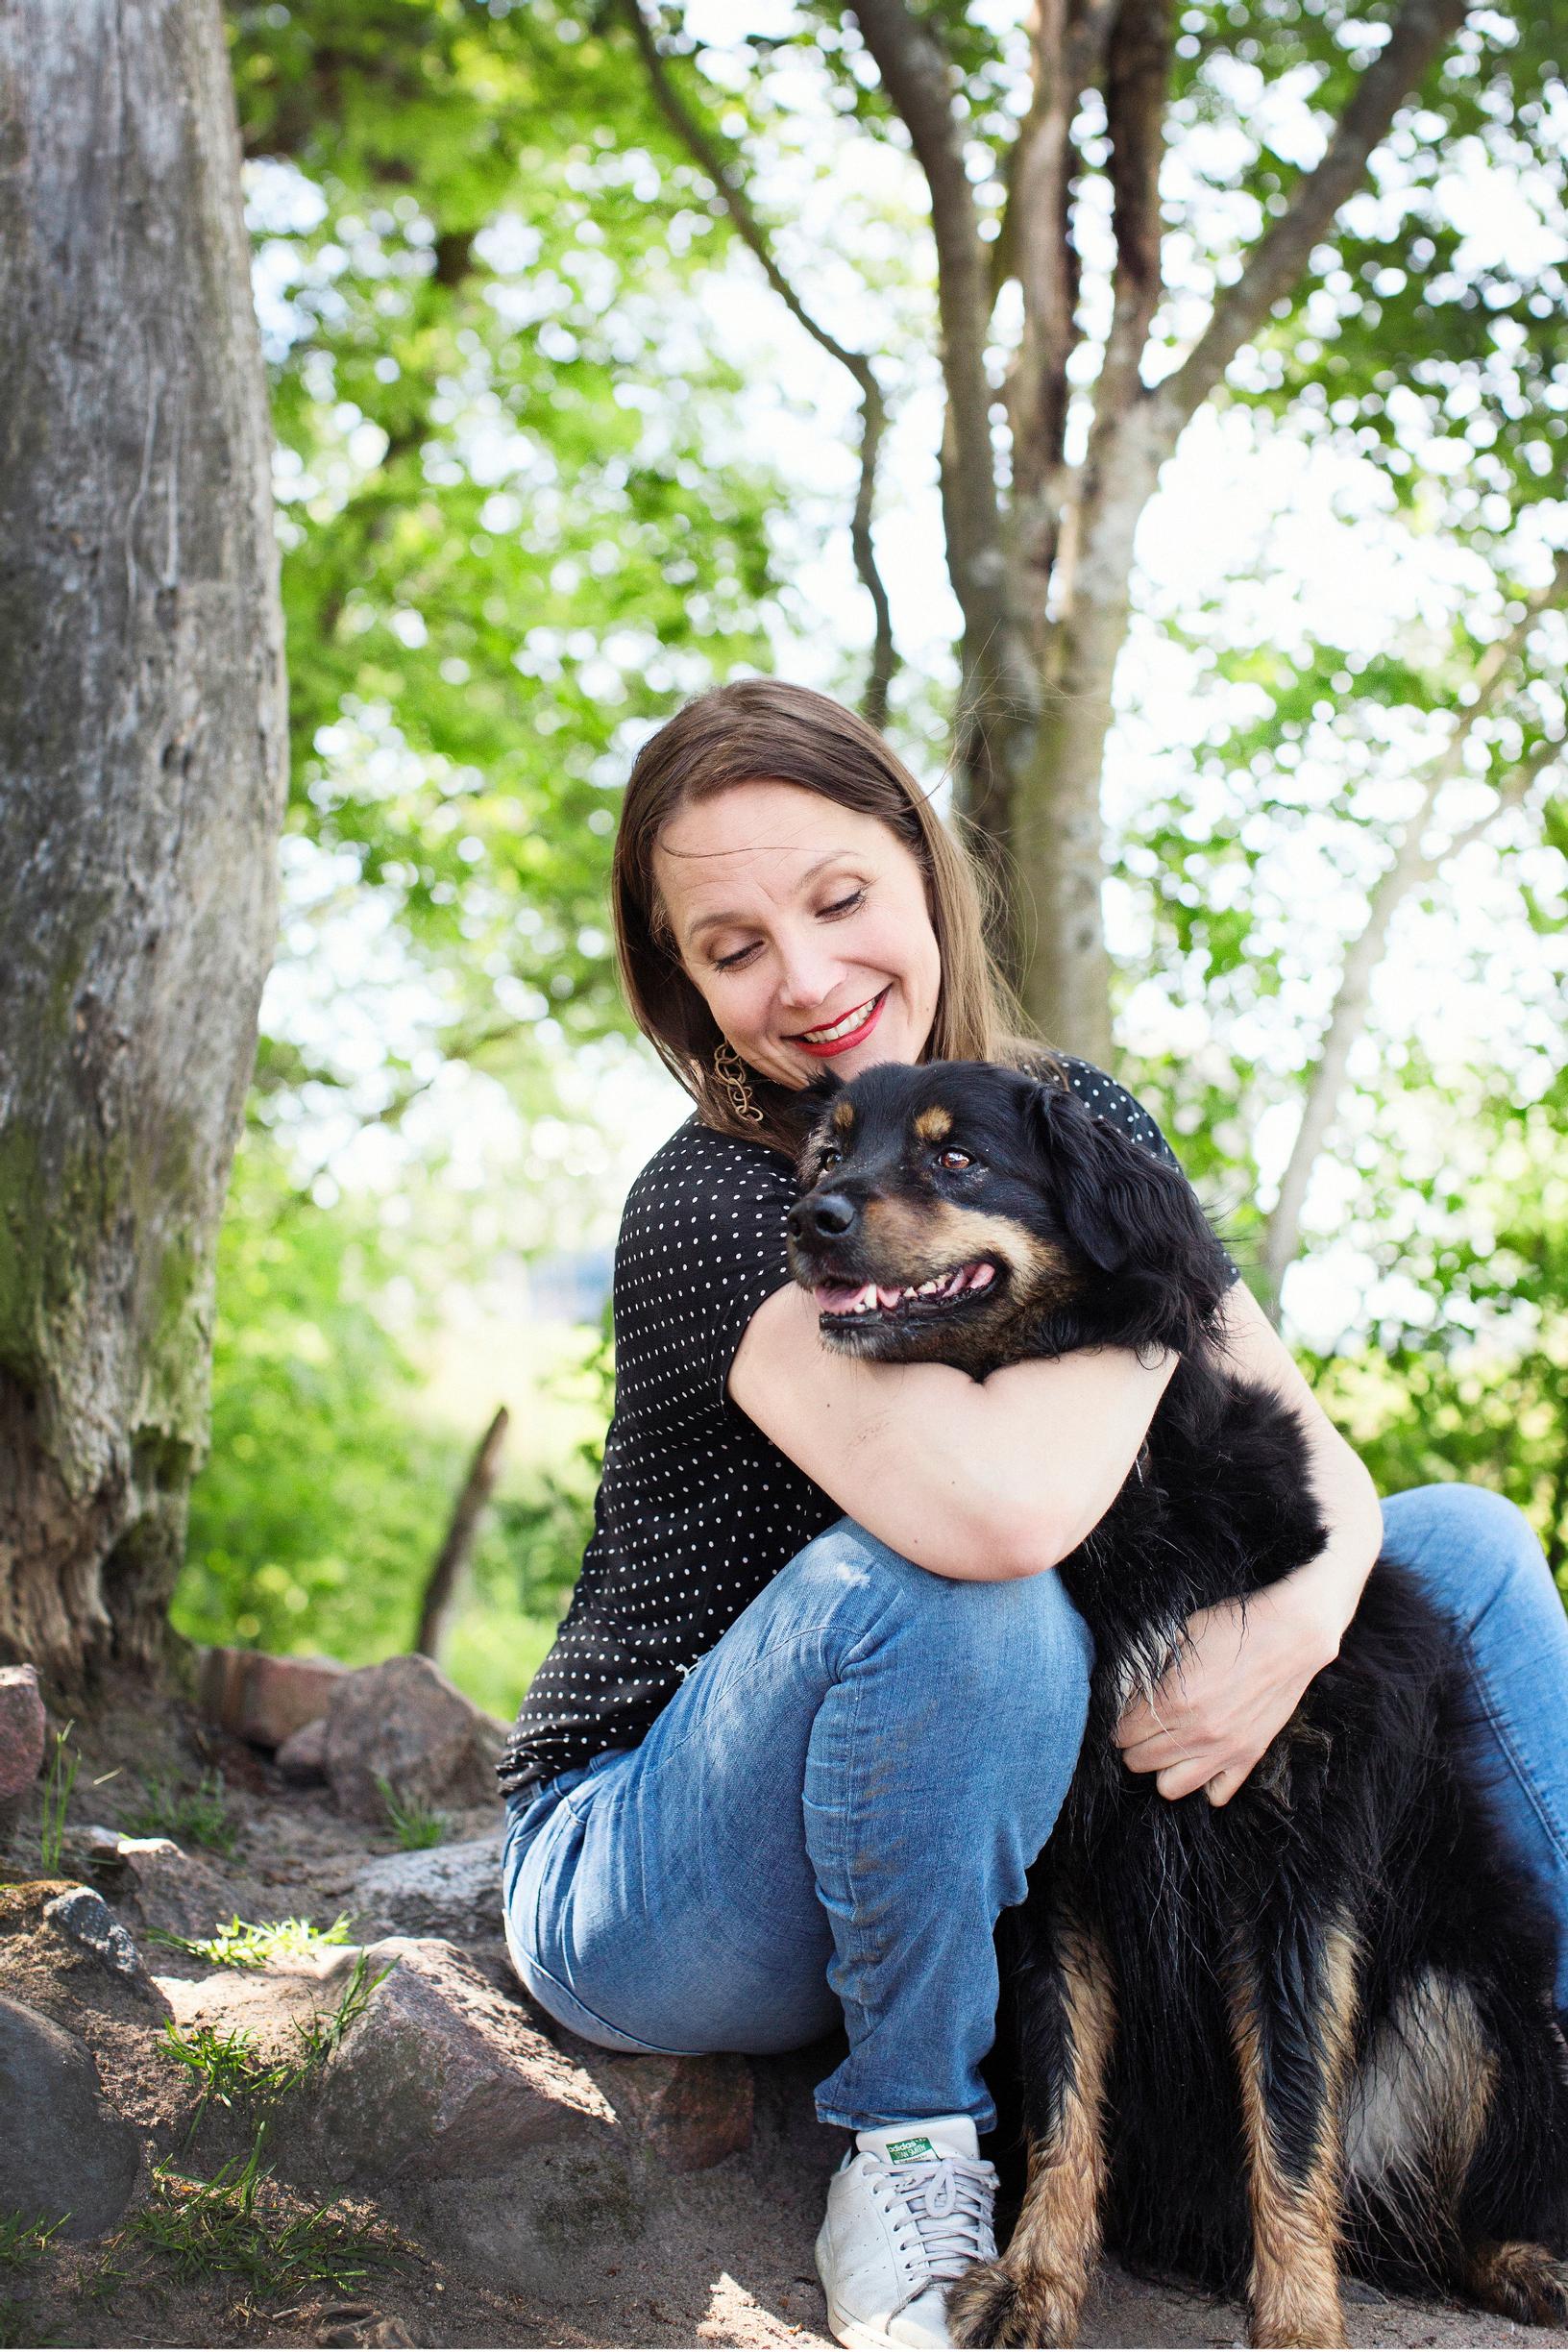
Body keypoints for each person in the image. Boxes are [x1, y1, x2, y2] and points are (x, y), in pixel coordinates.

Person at [499, 677, 1568, 2352]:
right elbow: (1002, 1517)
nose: (806, 978)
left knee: (1471, 1548)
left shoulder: (1074, 1123)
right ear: (685, 984)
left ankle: (1547, 2115)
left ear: (924, 869)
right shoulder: (726, 1203)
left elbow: (1324, 1467)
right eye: (734, 946)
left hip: (960, 1825)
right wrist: (1142, 1274)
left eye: (839, 899)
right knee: (975, 1606)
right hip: (674, 1868)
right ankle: (913, 2151)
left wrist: (1288, 1629)